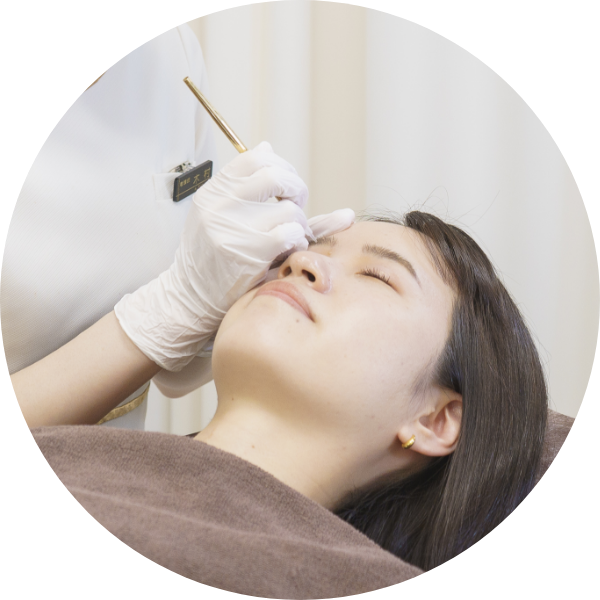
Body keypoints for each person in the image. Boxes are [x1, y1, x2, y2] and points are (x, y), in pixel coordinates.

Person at [29, 209, 573, 596]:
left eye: (377, 276)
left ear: (434, 419)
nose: (301, 265)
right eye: (303, 252)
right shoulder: (69, 445)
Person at [2, 23, 350, 429]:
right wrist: (173, 309)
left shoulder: (171, 49)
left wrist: (236, 288)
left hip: (119, 458)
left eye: (376, 276)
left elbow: (176, 374)